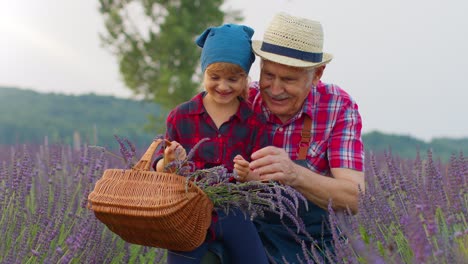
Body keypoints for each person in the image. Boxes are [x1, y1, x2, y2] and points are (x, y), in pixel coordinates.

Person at [210, 12, 366, 263]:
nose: (275, 89)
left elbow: (355, 197)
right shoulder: (241, 99)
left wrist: (293, 174)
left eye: (288, 79)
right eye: (268, 75)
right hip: (245, 238)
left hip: (311, 246)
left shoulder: (338, 106)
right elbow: (190, 134)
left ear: (317, 75)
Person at [155, 23, 269, 264]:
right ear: (203, 72)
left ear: (246, 77)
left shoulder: (255, 121)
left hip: (235, 213)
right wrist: (168, 160)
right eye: (214, 77)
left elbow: (264, 178)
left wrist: (250, 174)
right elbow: (156, 167)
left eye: (233, 78)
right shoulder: (181, 116)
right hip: (188, 213)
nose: (224, 86)